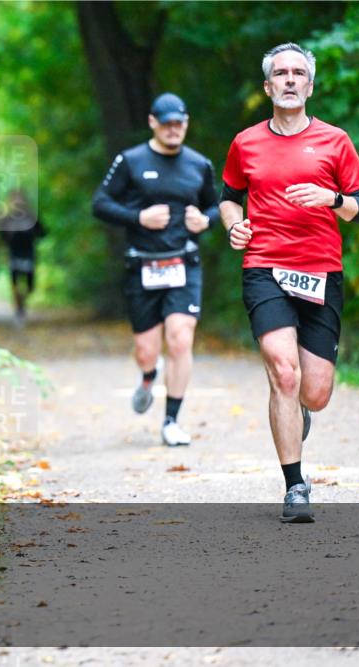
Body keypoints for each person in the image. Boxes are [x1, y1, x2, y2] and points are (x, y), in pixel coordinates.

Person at [220, 43, 359, 523]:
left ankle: (300, 410)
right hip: (264, 268)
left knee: (315, 392)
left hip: (321, 272)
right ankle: (295, 487)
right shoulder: (246, 142)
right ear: (268, 87)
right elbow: (228, 197)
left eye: (298, 73)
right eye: (280, 73)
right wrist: (233, 226)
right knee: (283, 373)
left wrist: (332, 198)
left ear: (309, 85)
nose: (289, 80)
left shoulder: (335, 141)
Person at [92, 92, 220, 447]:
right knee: (147, 350)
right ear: (152, 123)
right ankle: (149, 374)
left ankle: (171, 420)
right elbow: (100, 204)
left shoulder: (199, 164)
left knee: (180, 338)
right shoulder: (131, 161)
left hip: (184, 263)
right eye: (166, 124)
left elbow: (217, 207)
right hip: (142, 265)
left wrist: (204, 221)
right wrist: (138, 217)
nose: (173, 130)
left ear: (186, 124)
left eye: (179, 124)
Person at [0, 189, 46, 328]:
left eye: (20, 199)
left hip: (29, 254)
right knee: (15, 285)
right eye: (15, 200)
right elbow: (1, 238)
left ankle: (22, 303)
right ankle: (19, 310)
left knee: (30, 286)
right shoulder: (6, 220)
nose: (18, 203)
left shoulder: (31, 217)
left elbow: (43, 233)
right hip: (13, 255)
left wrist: (32, 232)